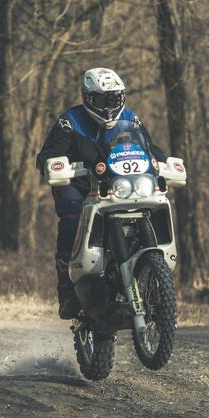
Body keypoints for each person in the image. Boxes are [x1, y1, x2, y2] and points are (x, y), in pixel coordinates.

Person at [36, 68, 166, 320]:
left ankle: (145, 273)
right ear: (87, 97)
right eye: (102, 100)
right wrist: (54, 164)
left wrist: (158, 160)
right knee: (71, 218)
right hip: (78, 184)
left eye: (114, 99)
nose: (108, 106)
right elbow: (47, 155)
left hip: (118, 183)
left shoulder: (129, 117)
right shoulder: (69, 121)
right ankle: (67, 290)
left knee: (149, 205)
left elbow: (149, 147)